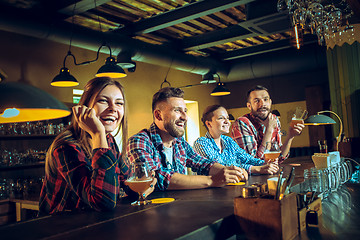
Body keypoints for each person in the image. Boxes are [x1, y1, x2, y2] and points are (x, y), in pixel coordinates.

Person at [39, 77, 155, 215]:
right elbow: (103, 202)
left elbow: (131, 185)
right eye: (103, 101)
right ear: (85, 108)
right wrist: (98, 133)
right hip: (62, 230)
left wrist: (146, 185)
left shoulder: (108, 140)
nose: (113, 108)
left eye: (119, 103)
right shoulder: (66, 147)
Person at [126, 87, 248, 191]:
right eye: (177, 110)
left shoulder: (179, 142)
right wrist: (212, 181)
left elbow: (202, 163)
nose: (185, 117)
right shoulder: (139, 141)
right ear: (158, 115)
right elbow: (155, 178)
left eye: (185, 111)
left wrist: (230, 171)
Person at [193, 105, 279, 175]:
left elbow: (247, 158)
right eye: (221, 118)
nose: (227, 121)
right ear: (208, 123)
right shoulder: (201, 143)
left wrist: (265, 164)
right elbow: (221, 166)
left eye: (227, 118)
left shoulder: (228, 141)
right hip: (209, 192)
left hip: (232, 187)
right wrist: (255, 169)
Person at [231, 85, 304, 163]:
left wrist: (290, 136)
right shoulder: (242, 123)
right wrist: (269, 129)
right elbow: (252, 161)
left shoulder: (274, 119)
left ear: (270, 102)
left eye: (265, 99)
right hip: (249, 174)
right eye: (257, 101)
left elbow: (280, 157)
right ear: (249, 106)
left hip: (270, 171)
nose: (262, 104)